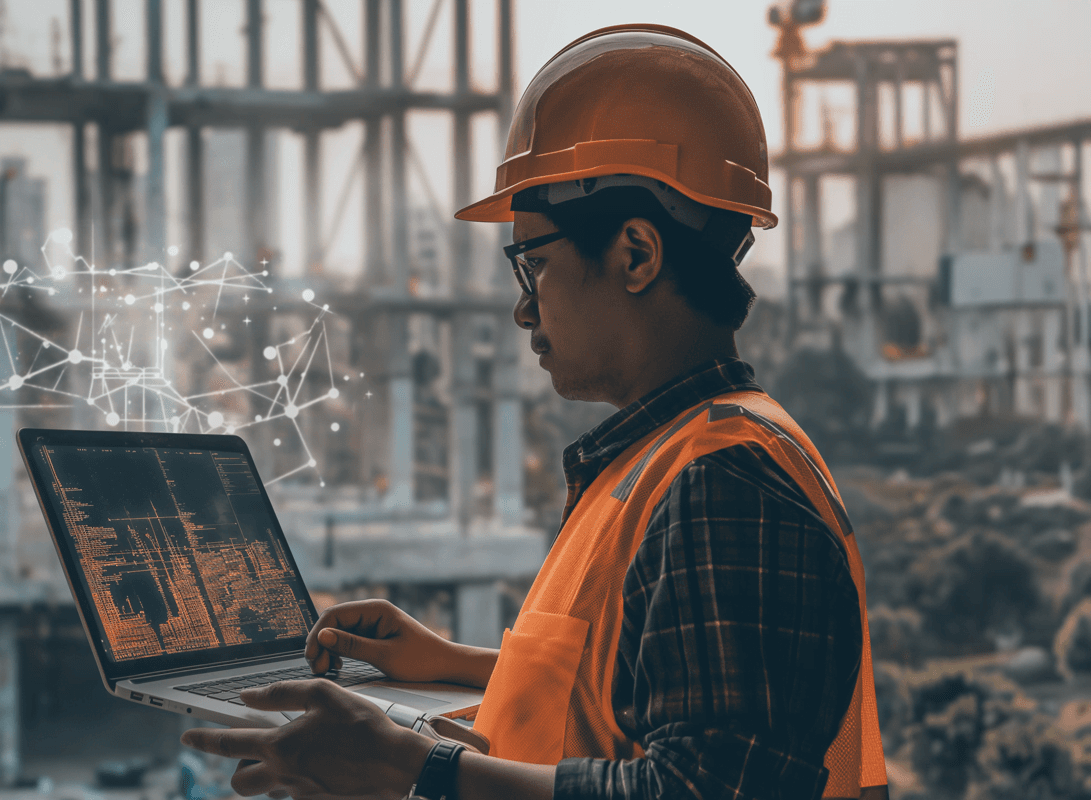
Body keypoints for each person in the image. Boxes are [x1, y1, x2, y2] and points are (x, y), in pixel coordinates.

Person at [182, 24, 886, 800]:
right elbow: (635, 704)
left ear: (636, 254)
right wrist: (449, 663)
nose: (524, 310)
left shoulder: (725, 487)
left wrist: (412, 771)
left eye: (536, 264)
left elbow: (705, 789)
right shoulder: (672, 460)